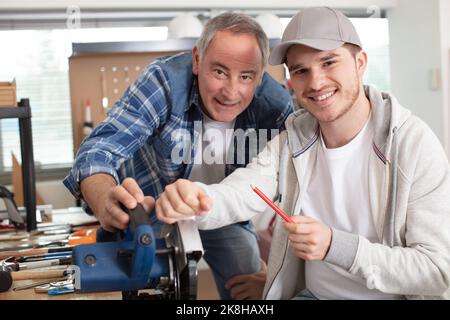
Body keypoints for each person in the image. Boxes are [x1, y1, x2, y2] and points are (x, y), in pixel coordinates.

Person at [155, 7, 450, 300]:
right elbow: (244, 190)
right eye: (301, 70)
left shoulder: (413, 145)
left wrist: (337, 246)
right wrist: (196, 199)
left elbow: (437, 271)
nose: (316, 82)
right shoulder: (293, 140)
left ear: (360, 62)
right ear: (290, 81)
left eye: (329, 62)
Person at [63, 12, 293, 300]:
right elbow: (99, 149)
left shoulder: (277, 108)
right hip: (153, 207)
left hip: (222, 212)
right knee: (141, 283)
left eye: (246, 77)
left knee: (252, 290)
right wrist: (103, 199)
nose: (231, 91)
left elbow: (302, 191)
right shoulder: (166, 81)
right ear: (197, 60)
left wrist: (278, 276)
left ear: (260, 77)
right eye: (219, 72)